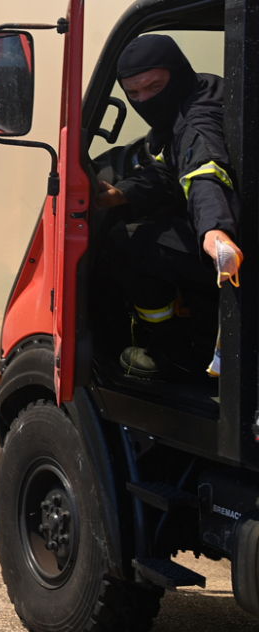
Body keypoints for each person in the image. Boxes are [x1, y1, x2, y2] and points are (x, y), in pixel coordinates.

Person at [95, 34, 243, 377]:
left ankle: (173, 352)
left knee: (125, 242)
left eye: (154, 86)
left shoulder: (196, 122)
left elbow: (204, 171)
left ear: (176, 73)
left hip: (232, 247)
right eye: (133, 94)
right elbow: (172, 168)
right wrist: (125, 193)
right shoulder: (203, 88)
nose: (145, 100)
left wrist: (215, 230)